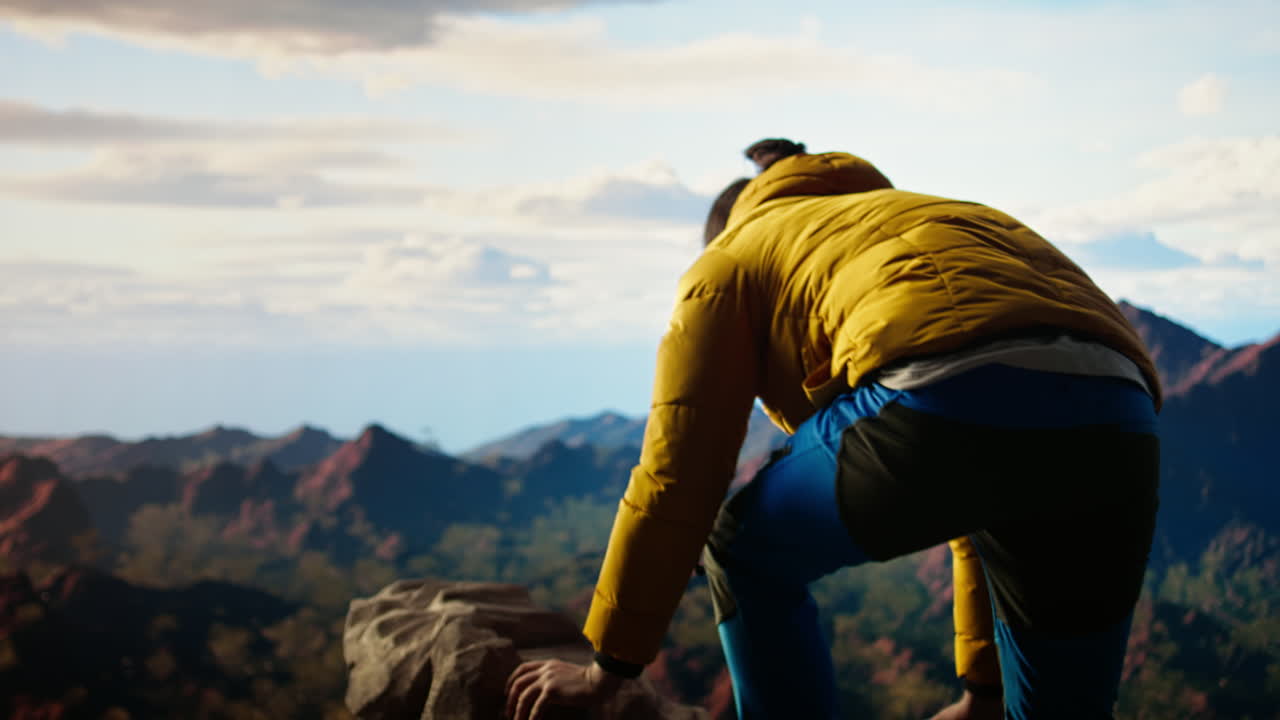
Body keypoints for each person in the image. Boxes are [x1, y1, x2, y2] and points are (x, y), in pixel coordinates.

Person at [506, 143, 1161, 720]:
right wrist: (982, 695)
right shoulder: (912, 216)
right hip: (1121, 414)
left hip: (943, 390)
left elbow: (678, 476)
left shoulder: (728, 259)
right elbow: (976, 498)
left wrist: (607, 670)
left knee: (741, 547)